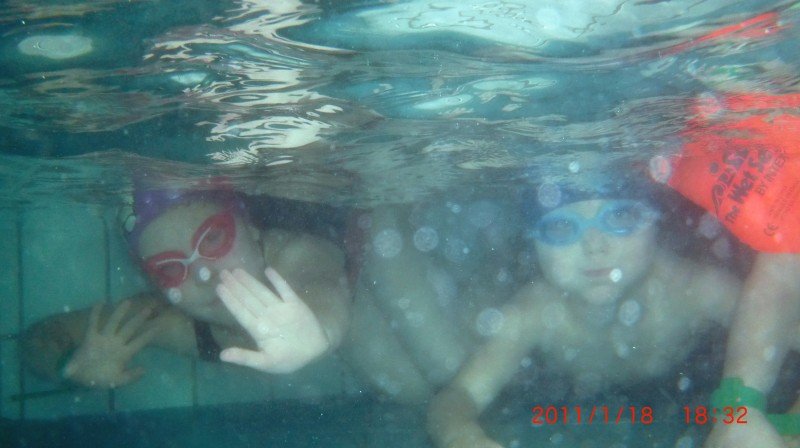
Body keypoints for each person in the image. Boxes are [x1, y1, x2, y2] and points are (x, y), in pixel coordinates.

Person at [426, 177, 744, 448]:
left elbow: (774, 330)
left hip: (687, 384)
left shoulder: (695, 290)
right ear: (534, 240)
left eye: (620, 217)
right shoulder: (533, 313)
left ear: (654, 221)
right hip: (573, 397)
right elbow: (460, 394)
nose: (594, 246)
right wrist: (462, 437)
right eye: (562, 227)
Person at [21, 179, 351, 388]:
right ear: (158, 286)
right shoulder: (170, 319)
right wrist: (71, 368)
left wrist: (317, 334)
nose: (203, 274)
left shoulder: (297, 254)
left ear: (250, 227)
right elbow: (39, 339)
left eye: (214, 239)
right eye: (170, 268)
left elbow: (323, 288)